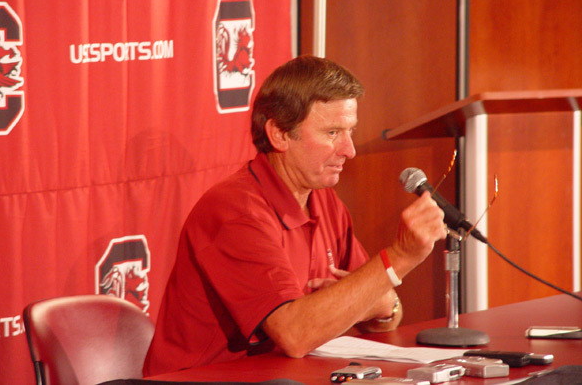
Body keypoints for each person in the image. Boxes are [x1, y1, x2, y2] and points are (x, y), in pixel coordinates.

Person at [143, 55, 446, 376]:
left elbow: (385, 311)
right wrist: (399, 257)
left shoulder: (325, 201)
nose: (349, 150)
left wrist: (377, 303)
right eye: (332, 132)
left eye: (350, 131)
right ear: (280, 135)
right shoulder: (234, 209)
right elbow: (296, 335)